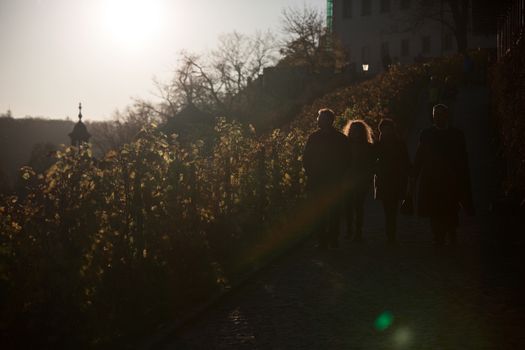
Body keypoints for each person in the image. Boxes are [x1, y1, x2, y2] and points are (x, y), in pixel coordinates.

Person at [413, 104, 474, 247]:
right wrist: (414, 173)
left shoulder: (457, 134)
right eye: (436, 115)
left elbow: (462, 158)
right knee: (434, 209)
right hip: (432, 179)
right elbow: (420, 156)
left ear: (447, 116)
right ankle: (438, 236)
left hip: (450, 179)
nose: (438, 118)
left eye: (441, 115)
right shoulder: (426, 134)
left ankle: (451, 233)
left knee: (451, 209)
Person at [303, 108, 350, 249]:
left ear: (329, 120)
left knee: (333, 211)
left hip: (332, 181)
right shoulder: (314, 137)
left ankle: (332, 238)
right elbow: (306, 158)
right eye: (319, 118)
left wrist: (339, 175)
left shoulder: (340, 139)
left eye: (321, 118)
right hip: (318, 181)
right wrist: (310, 172)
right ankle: (323, 240)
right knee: (320, 212)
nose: (319, 120)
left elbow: (347, 159)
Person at [374, 118, 411, 245]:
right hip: (388, 181)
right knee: (389, 210)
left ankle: (391, 235)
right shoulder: (393, 144)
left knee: (391, 210)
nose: (386, 131)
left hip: (394, 181)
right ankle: (391, 235)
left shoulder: (395, 145)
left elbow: (406, 162)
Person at [343, 120, 375, 243]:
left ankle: (357, 231)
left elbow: (371, 164)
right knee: (348, 206)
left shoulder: (368, 147)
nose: (355, 133)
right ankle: (350, 229)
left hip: (361, 181)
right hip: (347, 179)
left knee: (358, 206)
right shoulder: (345, 146)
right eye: (353, 130)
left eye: (357, 130)